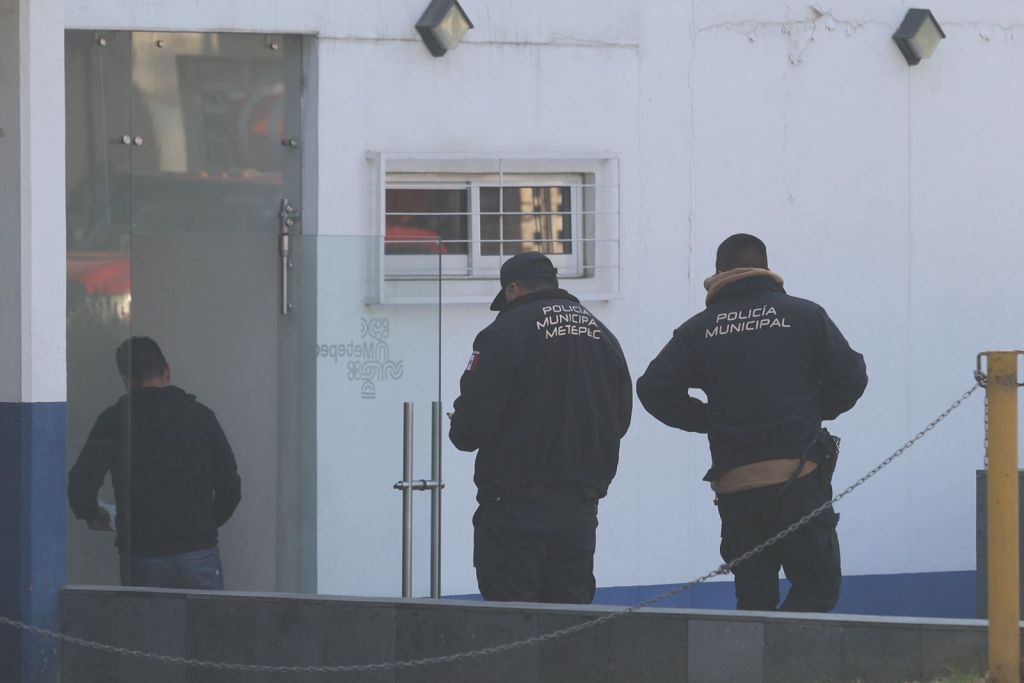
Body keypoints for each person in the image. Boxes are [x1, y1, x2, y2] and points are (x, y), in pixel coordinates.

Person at [636, 234, 867, 612]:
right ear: (765, 267)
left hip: (736, 487)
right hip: (800, 477)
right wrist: (812, 410)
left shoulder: (698, 329)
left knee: (754, 598)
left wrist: (711, 421)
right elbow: (852, 377)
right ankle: (785, 667)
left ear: (718, 274)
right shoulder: (805, 315)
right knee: (816, 587)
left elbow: (653, 389)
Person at [449, 251, 633, 604]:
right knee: (567, 622)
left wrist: (461, 424)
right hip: (580, 504)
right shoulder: (601, 333)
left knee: (511, 622)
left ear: (513, 289)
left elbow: (470, 427)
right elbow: (619, 418)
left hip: (514, 505)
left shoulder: (503, 332)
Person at [68, 336, 241, 590]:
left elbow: (81, 482)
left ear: (126, 378)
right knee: (204, 630)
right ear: (167, 370)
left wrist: (90, 513)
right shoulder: (200, 416)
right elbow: (230, 485)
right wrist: (203, 526)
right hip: (198, 552)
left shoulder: (114, 420)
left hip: (141, 554)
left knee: (147, 630)